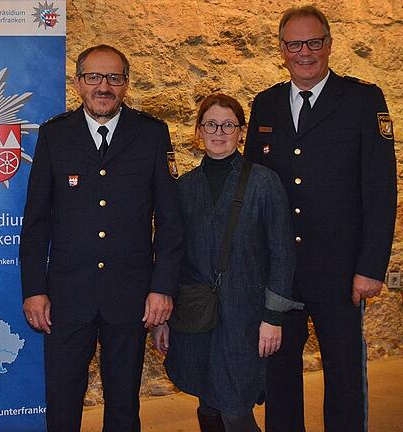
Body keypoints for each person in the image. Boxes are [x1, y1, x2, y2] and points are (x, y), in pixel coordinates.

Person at [244, 6, 397, 431]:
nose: (305, 52)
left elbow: (381, 190)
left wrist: (370, 268)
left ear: (329, 45)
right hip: (280, 271)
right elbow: (254, 187)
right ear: (281, 50)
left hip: (341, 270)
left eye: (314, 42)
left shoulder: (363, 100)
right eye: (295, 44)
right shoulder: (267, 104)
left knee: (344, 375)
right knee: (280, 377)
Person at [20, 44, 183, 432]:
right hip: (66, 296)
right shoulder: (55, 135)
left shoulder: (151, 134)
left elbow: (171, 222)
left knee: (124, 405)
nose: (103, 86)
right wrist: (34, 290)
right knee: (62, 402)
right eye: (93, 77)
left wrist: (162, 288)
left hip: (129, 296)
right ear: (78, 83)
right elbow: (36, 222)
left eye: (113, 77)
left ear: (126, 84)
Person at [152, 94, 300, 431]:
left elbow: (282, 252)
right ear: (199, 131)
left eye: (228, 125)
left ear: (241, 131)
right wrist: (163, 318)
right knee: (207, 401)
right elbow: (169, 253)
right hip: (197, 314)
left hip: (246, 318)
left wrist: (273, 318)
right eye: (211, 124)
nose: (219, 132)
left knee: (235, 404)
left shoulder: (264, 183)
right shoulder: (184, 188)